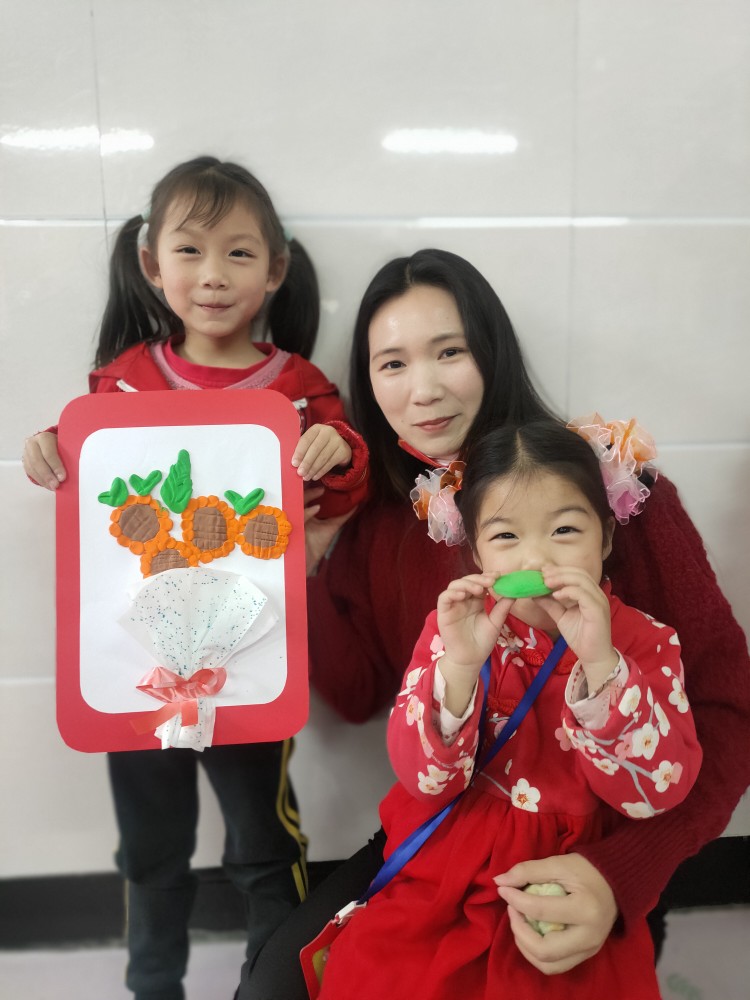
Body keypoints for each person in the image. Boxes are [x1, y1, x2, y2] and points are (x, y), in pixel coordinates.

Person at [238, 249, 750, 999]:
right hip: (446, 832)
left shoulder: (609, 491)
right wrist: (308, 561)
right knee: (276, 987)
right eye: (392, 364)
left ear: (494, 351)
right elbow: (355, 697)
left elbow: (728, 710)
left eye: (451, 351)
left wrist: (620, 875)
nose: (424, 390)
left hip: (594, 838)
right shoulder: (382, 524)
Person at [22, 156, 368, 1000]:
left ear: (275, 270)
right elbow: (95, 494)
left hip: (248, 660)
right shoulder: (121, 383)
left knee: (265, 844)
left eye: (239, 253)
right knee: (151, 850)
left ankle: (272, 985)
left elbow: (349, 489)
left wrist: (340, 449)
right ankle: (153, 988)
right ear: (152, 264)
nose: (213, 275)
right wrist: (51, 451)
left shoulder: (301, 387)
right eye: (190, 250)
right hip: (135, 668)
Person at [317, 419, 702, 998]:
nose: (537, 557)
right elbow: (425, 781)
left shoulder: (645, 640)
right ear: (476, 552)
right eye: (505, 537)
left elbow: (655, 795)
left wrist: (602, 663)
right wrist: (459, 667)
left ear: (605, 539)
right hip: (449, 864)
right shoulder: (455, 631)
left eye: (565, 529)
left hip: (569, 872)